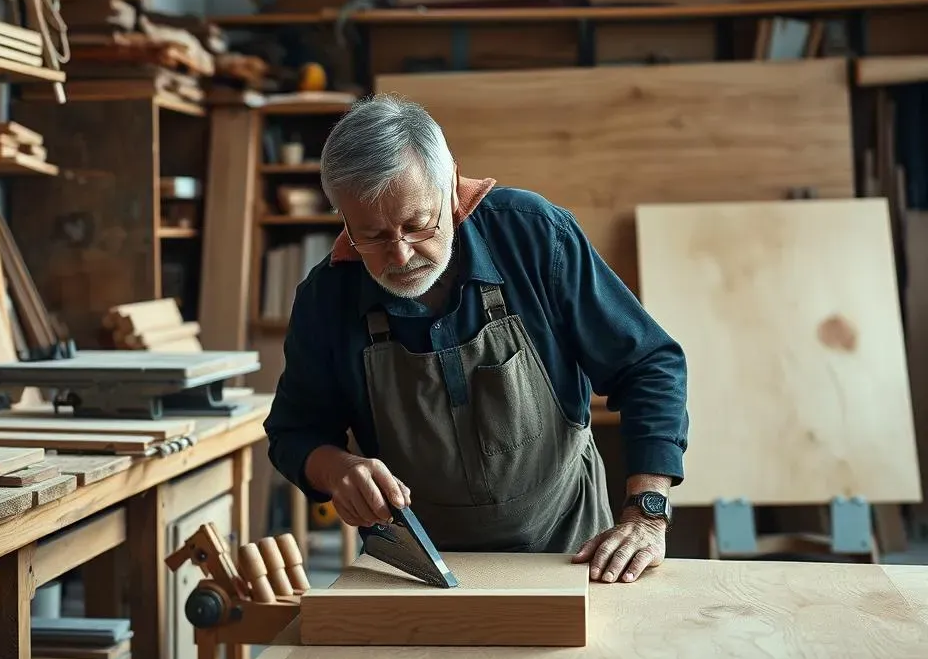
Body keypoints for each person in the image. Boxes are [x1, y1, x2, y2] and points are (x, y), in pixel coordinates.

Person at [264, 93, 689, 584]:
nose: (400, 257)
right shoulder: (327, 297)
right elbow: (295, 432)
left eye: (417, 225)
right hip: (422, 577)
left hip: (573, 557)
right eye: (373, 236)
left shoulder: (532, 237)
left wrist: (646, 514)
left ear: (452, 188)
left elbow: (650, 364)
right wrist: (336, 469)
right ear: (344, 221)